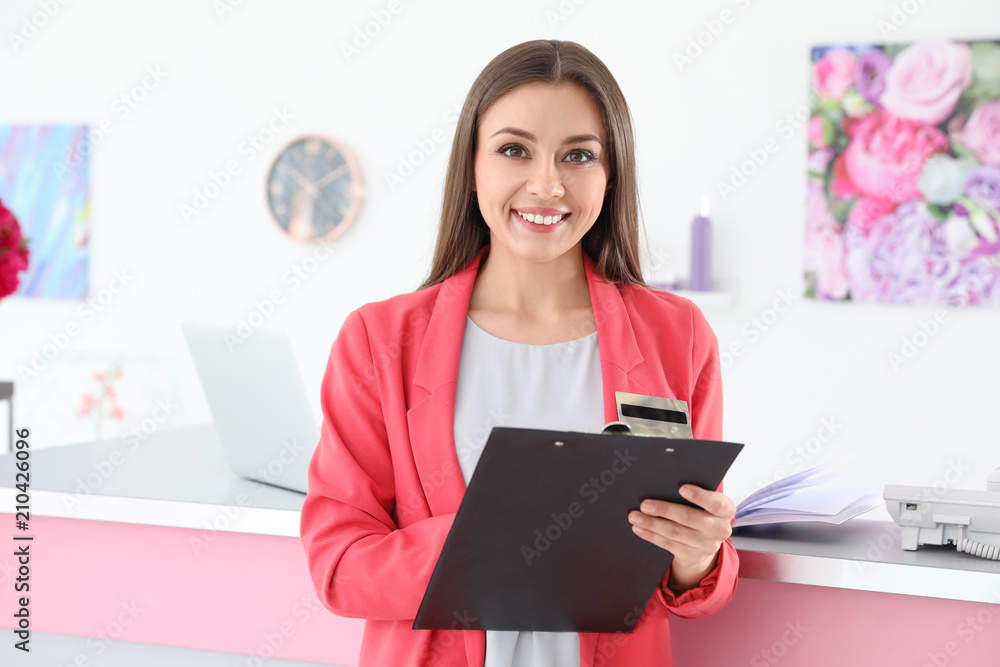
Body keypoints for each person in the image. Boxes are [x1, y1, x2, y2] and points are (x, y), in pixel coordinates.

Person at [300, 39, 738, 667]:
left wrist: (697, 557)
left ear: (610, 175)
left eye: (579, 156)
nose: (546, 184)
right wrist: (501, 538)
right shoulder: (379, 339)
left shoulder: (678, 334)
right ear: (472, 166)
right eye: (514, 150)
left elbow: (693, 570)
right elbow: (339, 566)